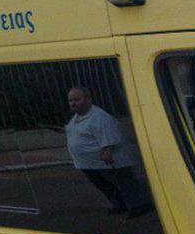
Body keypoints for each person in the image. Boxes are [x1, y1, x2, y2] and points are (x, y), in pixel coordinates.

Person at [65, 87, 151, 218]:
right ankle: (120, 204)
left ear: (88, 99)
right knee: (105, 185)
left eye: (77, 99)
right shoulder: (76, 118)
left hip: (108, 160)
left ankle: (139, 205)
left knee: (125, 182)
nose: (73, 103)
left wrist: (107, 150)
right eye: (70, 100)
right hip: (88, 163)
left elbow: (110, 135)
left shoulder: (99, 116)